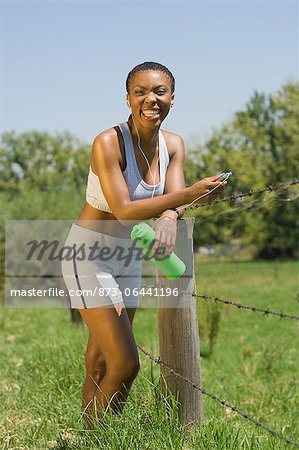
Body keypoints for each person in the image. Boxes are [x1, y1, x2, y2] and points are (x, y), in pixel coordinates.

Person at [61, 61, 226, 426]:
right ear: (128, 98)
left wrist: (171, 215)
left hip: (128, 259)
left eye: (159, 92)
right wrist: (189, 195)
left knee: (102, 359)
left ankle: (94, 434)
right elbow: (124, 211)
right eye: (141, 92)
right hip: (88, 255)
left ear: (172, 98)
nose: (150, 99)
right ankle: (100, 436)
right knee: (126, 363)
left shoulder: (174, 145)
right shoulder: (108, 143)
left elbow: (174, 197)